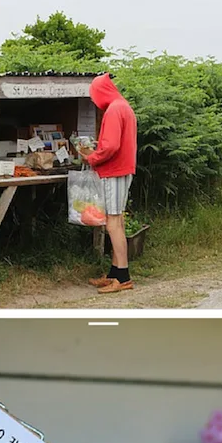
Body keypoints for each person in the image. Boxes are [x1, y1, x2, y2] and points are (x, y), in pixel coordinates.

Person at [78, 73, 137, 293]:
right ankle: (114, 272)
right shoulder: (124, 106)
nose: (94, 101)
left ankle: (122, 277)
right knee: (118, 219)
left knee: (113, 222)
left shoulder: (113, 109)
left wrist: (92, 157)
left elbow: (111, 146)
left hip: (114, 171)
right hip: (123, 168)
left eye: (94, 96)